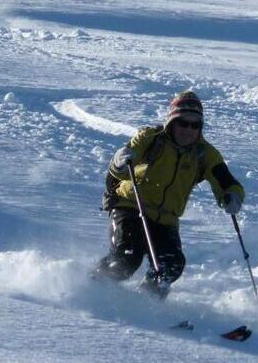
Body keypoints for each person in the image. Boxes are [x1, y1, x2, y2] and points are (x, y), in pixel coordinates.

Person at [92, 90, 245, 299]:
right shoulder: (151, 138)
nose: (188, 130)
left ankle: (146, 304)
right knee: (127, 258)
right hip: (131, 206)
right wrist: (121, 160)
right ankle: (93, 287)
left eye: (195, 125)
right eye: (183, 123)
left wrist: (231, 196)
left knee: (171, 265)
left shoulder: (204, 153)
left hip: (166, 219)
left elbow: (227, 182)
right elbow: (122, 162)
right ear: (171, 122)